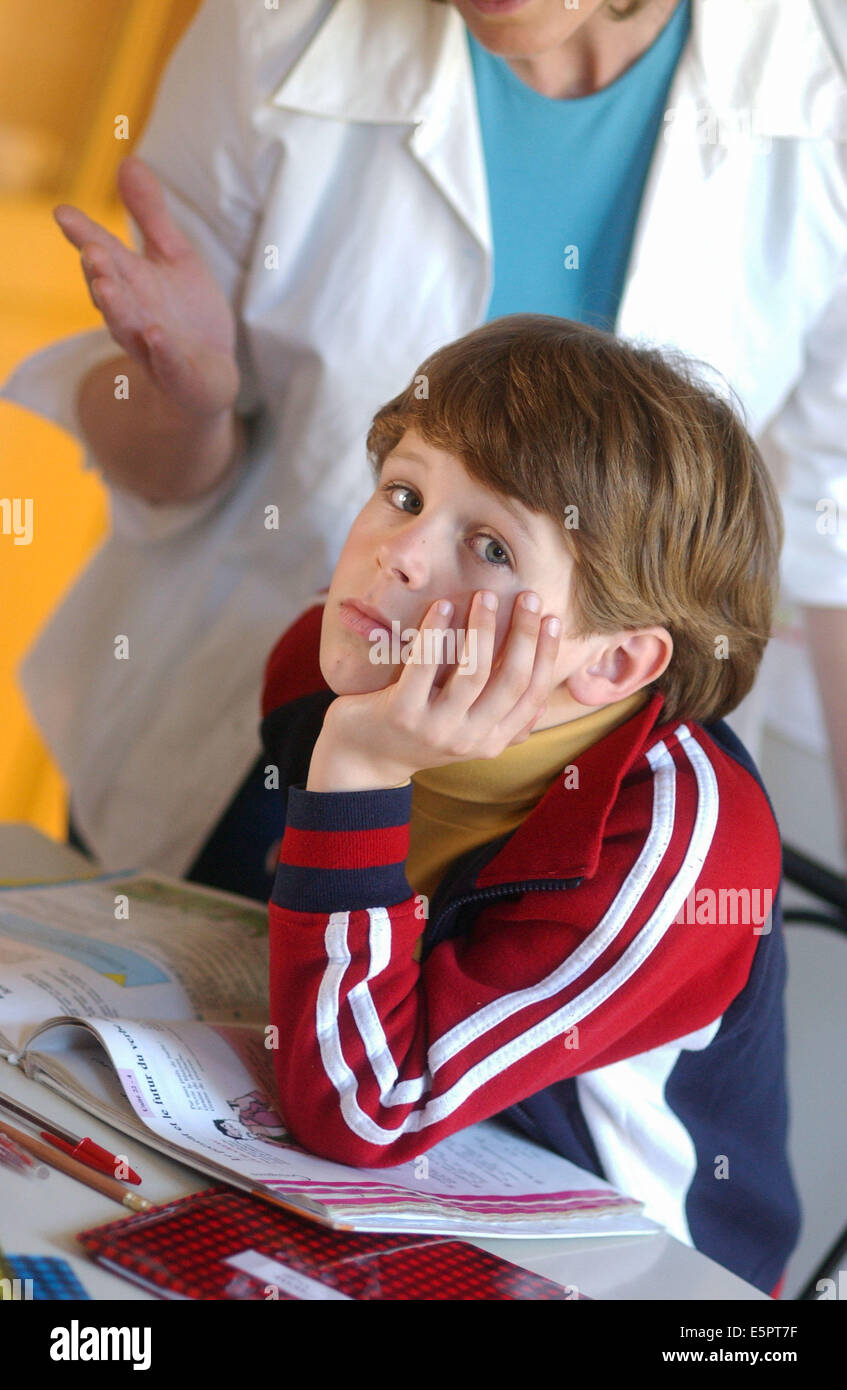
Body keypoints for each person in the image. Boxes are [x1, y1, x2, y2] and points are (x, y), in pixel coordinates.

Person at [3, 0, 846, 889]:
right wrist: (190, 400)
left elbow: (833, 532)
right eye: (401, 498)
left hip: (577, 801)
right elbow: (168, 472)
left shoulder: (821, 82)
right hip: (245, 735)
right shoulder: (275, 30)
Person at [259, 314, 800, 1297]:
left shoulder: (679, 848)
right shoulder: (323, 667)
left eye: (490, 547)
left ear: (614, 661)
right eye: (404, 492)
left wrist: (358, 778)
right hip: (387, 1199)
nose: (403, 554)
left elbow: (365, 1107)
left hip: (634, 1273)